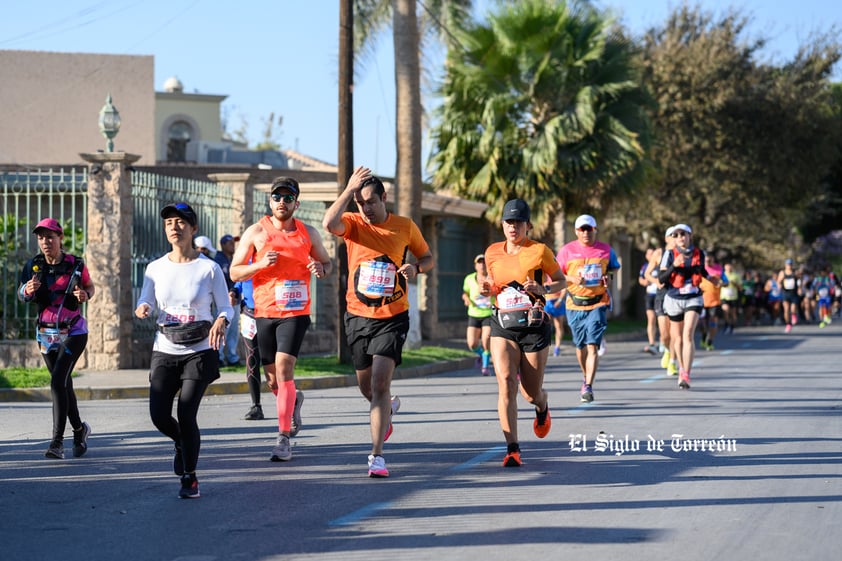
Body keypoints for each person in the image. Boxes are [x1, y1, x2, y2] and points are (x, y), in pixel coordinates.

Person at [322, 165, 434, 478]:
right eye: (360, 203)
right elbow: (328, 223)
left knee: (379, 383)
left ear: (384, 198)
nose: (366, 208)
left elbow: (428, 258)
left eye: (370, 201)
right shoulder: (353, 224)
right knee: (366, 386)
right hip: (357, 314)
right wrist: (348, 191)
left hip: (393, 315)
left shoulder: (404, 226)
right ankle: (386, 410)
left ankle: (376, 456)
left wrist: (416, 269)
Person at [135, 202, 234, 499]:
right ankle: (181, 441)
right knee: (158, 415)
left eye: (180, 222)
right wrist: (144, 307)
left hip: (199, 350)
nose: (174, 227)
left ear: (193, 229)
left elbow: (226, 307)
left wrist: (220, 320)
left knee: (187, 412)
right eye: (169, 223)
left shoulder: (209, 268)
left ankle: (190, 476)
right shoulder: (155, 268)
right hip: (165, 348)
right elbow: (146, 299)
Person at [230, 176, 331, 462]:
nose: (282, 202)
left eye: (288, 198)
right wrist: (260, 264)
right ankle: (293, 399)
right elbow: (235, 272)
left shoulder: (307, 232)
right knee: (274, 381)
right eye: (277, 197)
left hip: (295, 313)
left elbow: (327, 263)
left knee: (285, 368)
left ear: (297, 203)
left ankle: (283, 437)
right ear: (269, 200)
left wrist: (320, 269)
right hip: (264, 312)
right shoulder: (256, 232)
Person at [479, 198, 563, 468]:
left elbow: (561, 279)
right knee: (505, 381)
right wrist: (486, 289)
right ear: (502, 224)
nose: (513, 227)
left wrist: (544, 290)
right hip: (502, 324)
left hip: (534, 327)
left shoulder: (539, 251)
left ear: (528, 225)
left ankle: (542, 406)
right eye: (508, 222)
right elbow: (493, 285)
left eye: (518, 222)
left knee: (530, 392)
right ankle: (512, 448)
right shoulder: (492, 252)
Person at [18, 218, 95, 460]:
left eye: (50, 237)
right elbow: (21, 293)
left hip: (73, 332)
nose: (45, 242)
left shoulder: (76, 264)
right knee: (63, 384)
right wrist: (26, 291)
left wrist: (85, 294)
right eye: (41, 237)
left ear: (60, 238)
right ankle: (80, 430)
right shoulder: (33, 265)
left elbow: (90, 287)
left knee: (57, 382)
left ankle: (57, 443)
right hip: (45, 334)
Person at [557, 214, 621, 403]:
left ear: (595, 230)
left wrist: (608, 276)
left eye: (589, 229)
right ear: (577, 231)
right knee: (580, 346)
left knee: (592, 345)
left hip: (598, 302)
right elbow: (556, 274)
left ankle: (588, 386)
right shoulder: (567, 251)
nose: (586, 233)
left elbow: (614, 268)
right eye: (582, 229)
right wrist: (571, 279)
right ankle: (586, 376)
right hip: (575, 303)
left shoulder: (606, 250)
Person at [658, 224, 719, 389]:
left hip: (693, 298)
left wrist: (711, 278)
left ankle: (686, 373)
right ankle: (680, 367)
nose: (680, 238)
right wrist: (674, 265)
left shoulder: (699, 253)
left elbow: (701, 271)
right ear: (674, 238)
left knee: (688, 335)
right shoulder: (669, 254)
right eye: (676, 235)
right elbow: (661, 279)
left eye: (683, 234)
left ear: (689, 236)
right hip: (674, 298)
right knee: (676, 338)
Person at [646, 227, 678, 375]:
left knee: (674, 333)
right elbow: (647, 273)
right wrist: (656, 282)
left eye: (678, 235)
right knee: (664, 334)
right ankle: (666, 349)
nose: (676, 238)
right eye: (673, 236)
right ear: (666, 238)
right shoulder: (659, 253)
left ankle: (672, 362)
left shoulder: (681, 254)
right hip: (661, 295)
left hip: (676, 295)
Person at [462, 254, 494, 375]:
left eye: (484, 262)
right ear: (475, 266)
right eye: (479, 263)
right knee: (472, 344)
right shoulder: (469, 278)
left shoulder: (492, 278)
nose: (482, 265)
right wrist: (466, 299)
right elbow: (465, 292)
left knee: (486, 339)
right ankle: (482, 355)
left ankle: (485, 367)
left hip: (488, 313)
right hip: (474, 314)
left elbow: (498, 291)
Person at [215, 234, 241, 365]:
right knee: (222, 328)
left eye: (233, 243)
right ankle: (218, 356)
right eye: (230, 243)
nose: (233, 245)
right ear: (223, 245)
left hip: (235, 300)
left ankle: (232, 356)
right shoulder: (219, 260)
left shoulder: (234, 259)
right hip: (223, 301)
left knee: (233, 331)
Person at [699, 255, 727, 351]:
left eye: (709, 259)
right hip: (701, 301)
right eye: (705, 259)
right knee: (702, 324)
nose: (707, 261)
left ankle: (710, 341)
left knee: (713, 321)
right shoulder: (699, 268)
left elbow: (726, 282)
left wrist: (721, 284)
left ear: (713, 259)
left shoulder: (719, 270)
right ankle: (704, 336)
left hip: (714, 301)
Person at [638, 248, 659, 355]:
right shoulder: (645, 267)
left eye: (652, 253)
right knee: (651, 319)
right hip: (650, 295)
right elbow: (640, 279)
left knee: (662, 320)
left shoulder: (661, 265)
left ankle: (664, 342)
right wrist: (644, 282)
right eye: (649, 253)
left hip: (660, 296)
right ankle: (652, 343)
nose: (650, 255)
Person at [778, 258, 800, 333]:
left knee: (793, 309)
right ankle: (788, 324)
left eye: (790, 264)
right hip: (785, 293)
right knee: (786, 309)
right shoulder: (782, 273)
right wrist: (780, 284)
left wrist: (800, 287)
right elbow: (778, 282)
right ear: (785, 265)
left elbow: (800, 279)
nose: (789, 266)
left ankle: (793, 315)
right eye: (788, 264)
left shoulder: (795, 272)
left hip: (793, 293)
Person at [544, 286, 567, 357]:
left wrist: (560, 300)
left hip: (557, 300)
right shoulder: (543, 275)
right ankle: (544, 346)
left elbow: (564, 288)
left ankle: (557, 348)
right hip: (547, 302)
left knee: (558, 325)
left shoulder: (558, 275)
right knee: (545, 325)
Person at [719, 262, 741, 333]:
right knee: (725, 310)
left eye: (729, 267)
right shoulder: (722, 275)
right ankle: (727, 324)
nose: (728, 268)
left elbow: (740, 288)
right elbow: (718, 284)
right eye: (727, 267)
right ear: (724, 267)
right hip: (724, 297)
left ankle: (732, 326)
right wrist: (723, 284)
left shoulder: (736, 275)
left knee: (733, 314)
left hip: (733, 297)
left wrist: (734, 283)